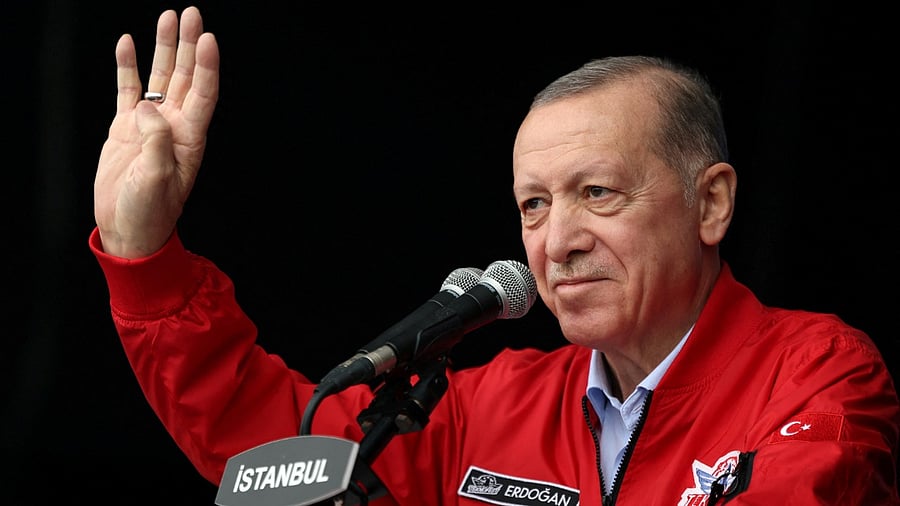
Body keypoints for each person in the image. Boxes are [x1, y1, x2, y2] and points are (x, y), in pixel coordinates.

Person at [90, 6, 900, 505]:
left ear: (711, 203)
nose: (559, 240)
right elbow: (276, 447)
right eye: (534, 206)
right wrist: (146, 258)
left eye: (600, 194)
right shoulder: (488, 405)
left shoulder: (817, 373)